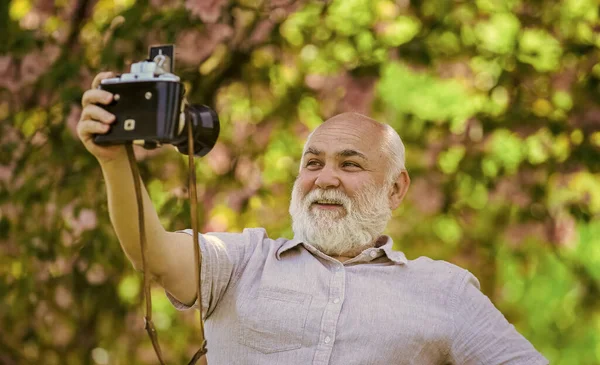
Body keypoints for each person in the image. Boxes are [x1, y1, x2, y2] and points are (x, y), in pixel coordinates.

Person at [79, 72, 549, 365]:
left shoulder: (443, 290)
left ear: (396, 188)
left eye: (349, 165)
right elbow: (153, 254)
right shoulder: (242, 260)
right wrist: (113, 161)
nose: (326, 179)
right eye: (313, 163)